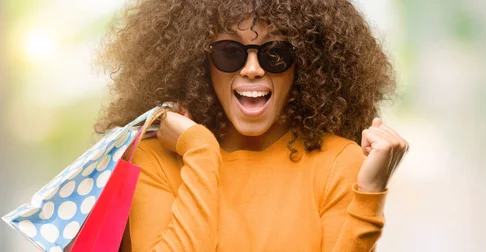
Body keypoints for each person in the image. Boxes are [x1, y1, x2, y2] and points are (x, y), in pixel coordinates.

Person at [94, 0, 408, 251]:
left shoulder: (338, 163)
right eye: (229, 52)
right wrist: (200, 151)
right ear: (199, 62)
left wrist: (370, 193)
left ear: (309, 62)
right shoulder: (157, 159)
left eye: (276, 53)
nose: (253, 69)